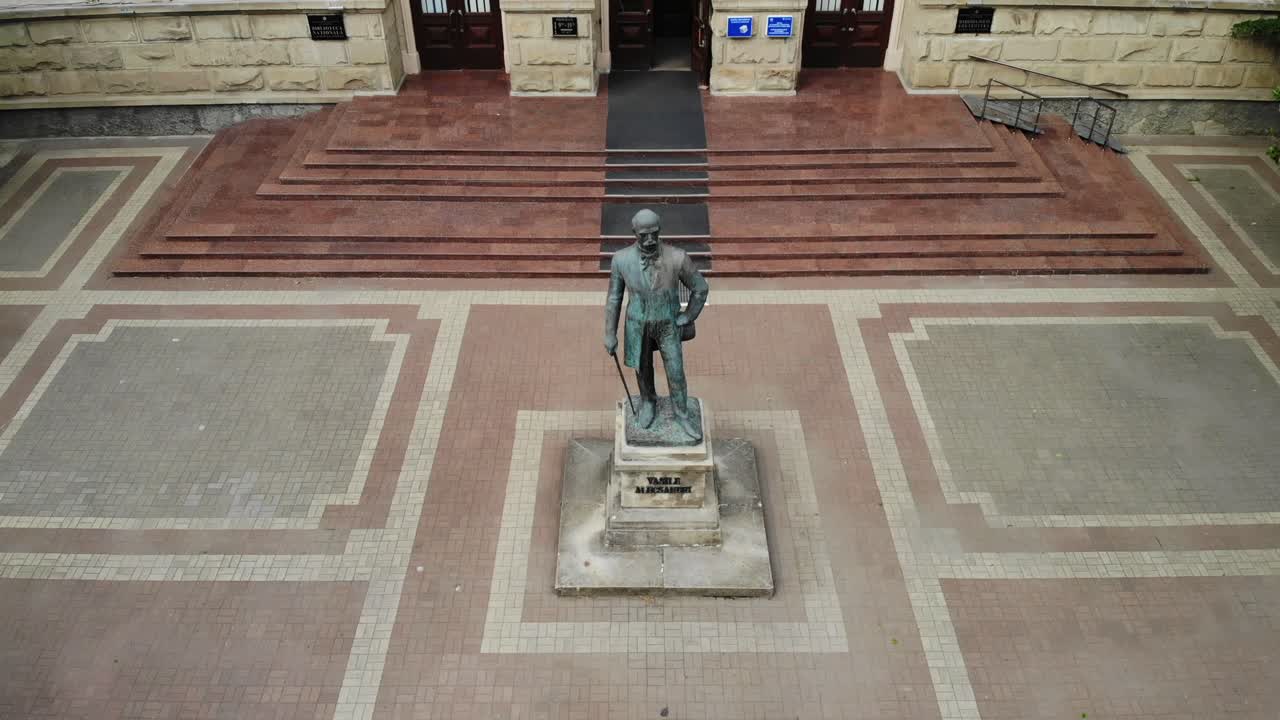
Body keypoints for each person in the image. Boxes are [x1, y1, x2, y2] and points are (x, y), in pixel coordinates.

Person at [603, 208, 709, 441]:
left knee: (676, 372)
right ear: (634, 233)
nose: (649, 239)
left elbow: (700, 288)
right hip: (637, 325)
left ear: (659, 231)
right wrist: (610, 333)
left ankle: (681, 414)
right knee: (643, 370)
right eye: (643, 235)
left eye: (653, 233)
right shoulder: (620, 260)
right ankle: (648, 402)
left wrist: (688, 316)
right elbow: (614, 298)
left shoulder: (677, 257)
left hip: (668, 326)